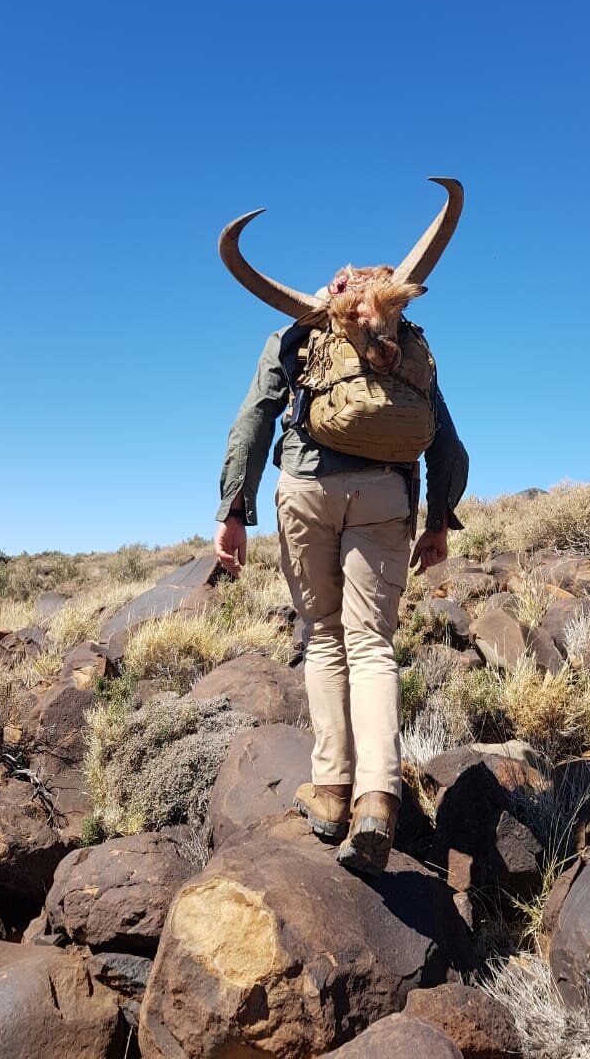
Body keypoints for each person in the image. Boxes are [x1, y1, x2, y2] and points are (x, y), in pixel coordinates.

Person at [213, 178, 468, 875]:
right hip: (387, 496)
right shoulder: (408, 340)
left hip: (306, 492)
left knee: (323, 638)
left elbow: (253, 423)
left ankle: (330, 793)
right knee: (373, 646)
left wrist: (233, 511)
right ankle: (378, 800)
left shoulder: (299, 333)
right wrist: (440, 518)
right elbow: (446, 441)